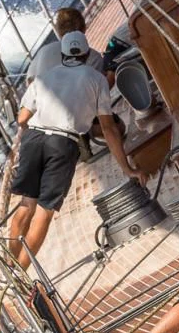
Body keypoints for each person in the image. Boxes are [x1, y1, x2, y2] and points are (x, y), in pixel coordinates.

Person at [10, 30, 140, 271]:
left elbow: (21, 118)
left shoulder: (43, 78)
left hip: (34, 137)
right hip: (62, 143)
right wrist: (127, 168)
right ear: (87, 54)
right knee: (45, 212)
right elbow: (108, 128)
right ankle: (20, 272)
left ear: (62, 54)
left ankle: (10, 264)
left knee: (26, 205)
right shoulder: (96, 79)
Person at [26, 7, 103, 82]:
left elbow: (29, 81)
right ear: (84, 28)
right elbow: (98, 88)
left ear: (58, 31)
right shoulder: (95, 58)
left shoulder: (43, 51)